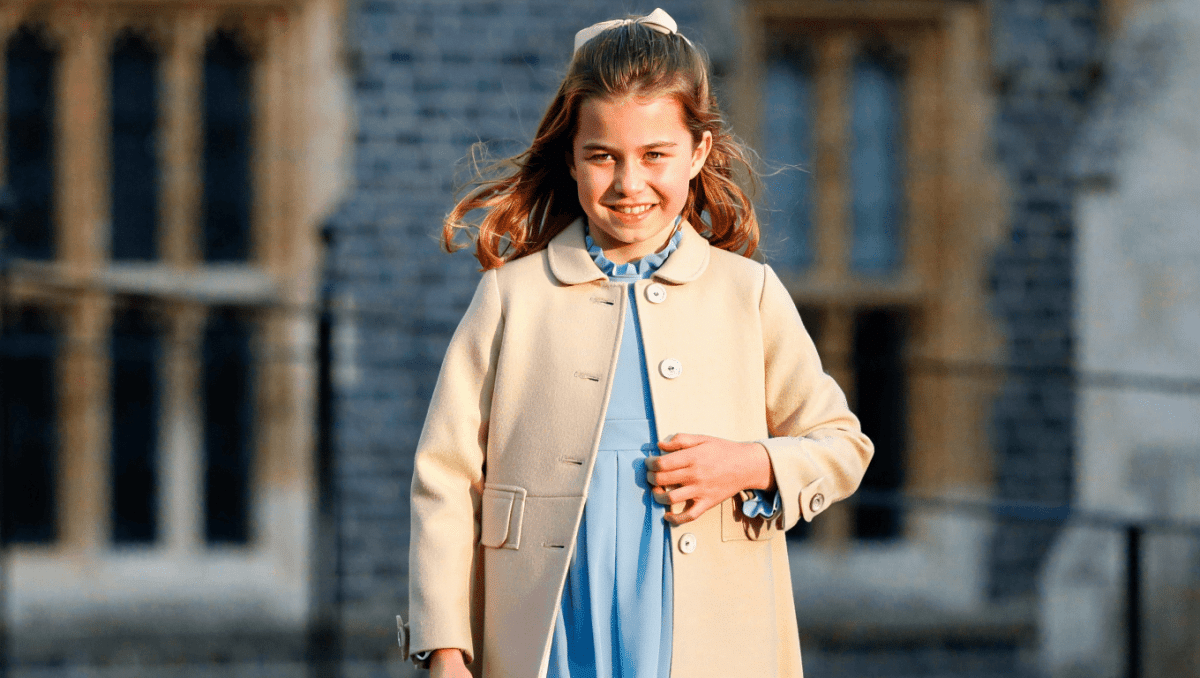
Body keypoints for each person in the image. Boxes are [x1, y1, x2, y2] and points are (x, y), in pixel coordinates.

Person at [399, 8, 873, 678]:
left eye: (656, 155)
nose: (629, 184)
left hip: (709, 640)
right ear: (571, 156)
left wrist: (750, 465)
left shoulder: (749, 293)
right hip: (551, 633)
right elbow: (444, 478)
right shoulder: (512, 297)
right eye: (602, 156)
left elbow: (843, 445)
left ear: (699, 152)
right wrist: (446, 648)